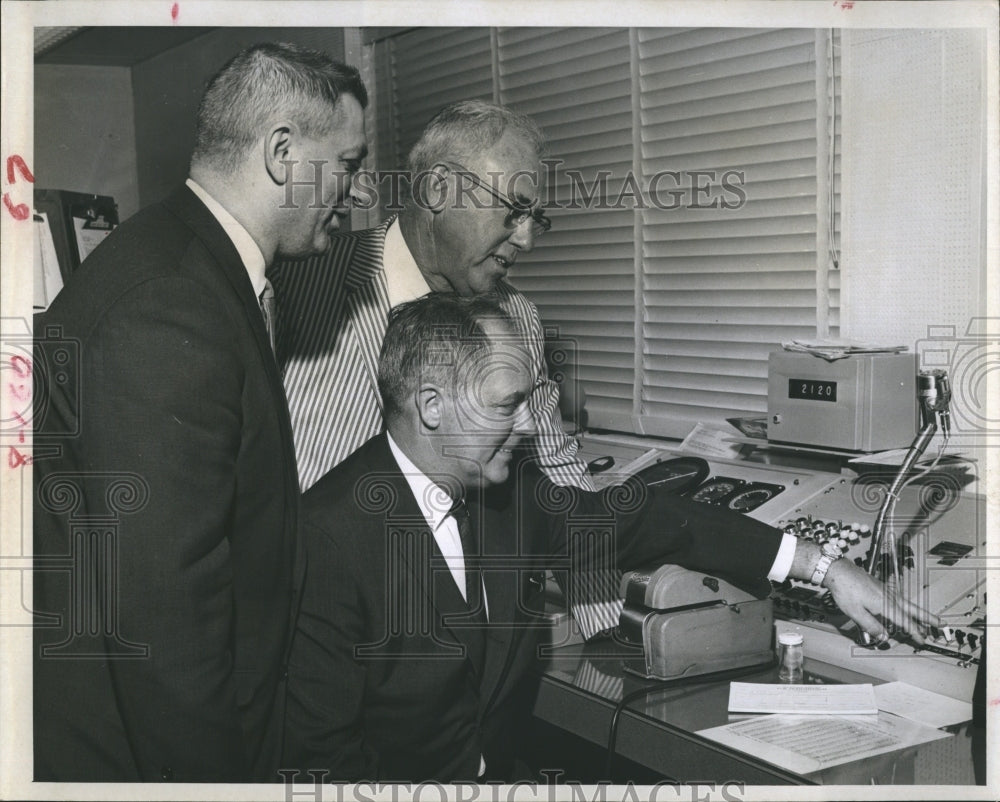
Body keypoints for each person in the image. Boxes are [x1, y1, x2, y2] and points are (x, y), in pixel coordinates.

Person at [282, 294, 934, 782]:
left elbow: (654, 520)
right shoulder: (324, 540)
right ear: (431, 406)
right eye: (506, 404)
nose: (530, 427)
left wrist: (826, 569)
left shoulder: (503, 500)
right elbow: (320, 766)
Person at [32, 42, 367, 782]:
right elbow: (165, 624)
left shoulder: (188, 263)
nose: (357, 191)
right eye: (347, 164)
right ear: (283, 152)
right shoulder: (169, 303)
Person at [272, 99, 595, 492]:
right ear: (439, 188)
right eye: (514, 209)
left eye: (535, 220)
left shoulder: (518, 316)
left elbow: (552, 464)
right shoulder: (297, 280)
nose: (526, 240)